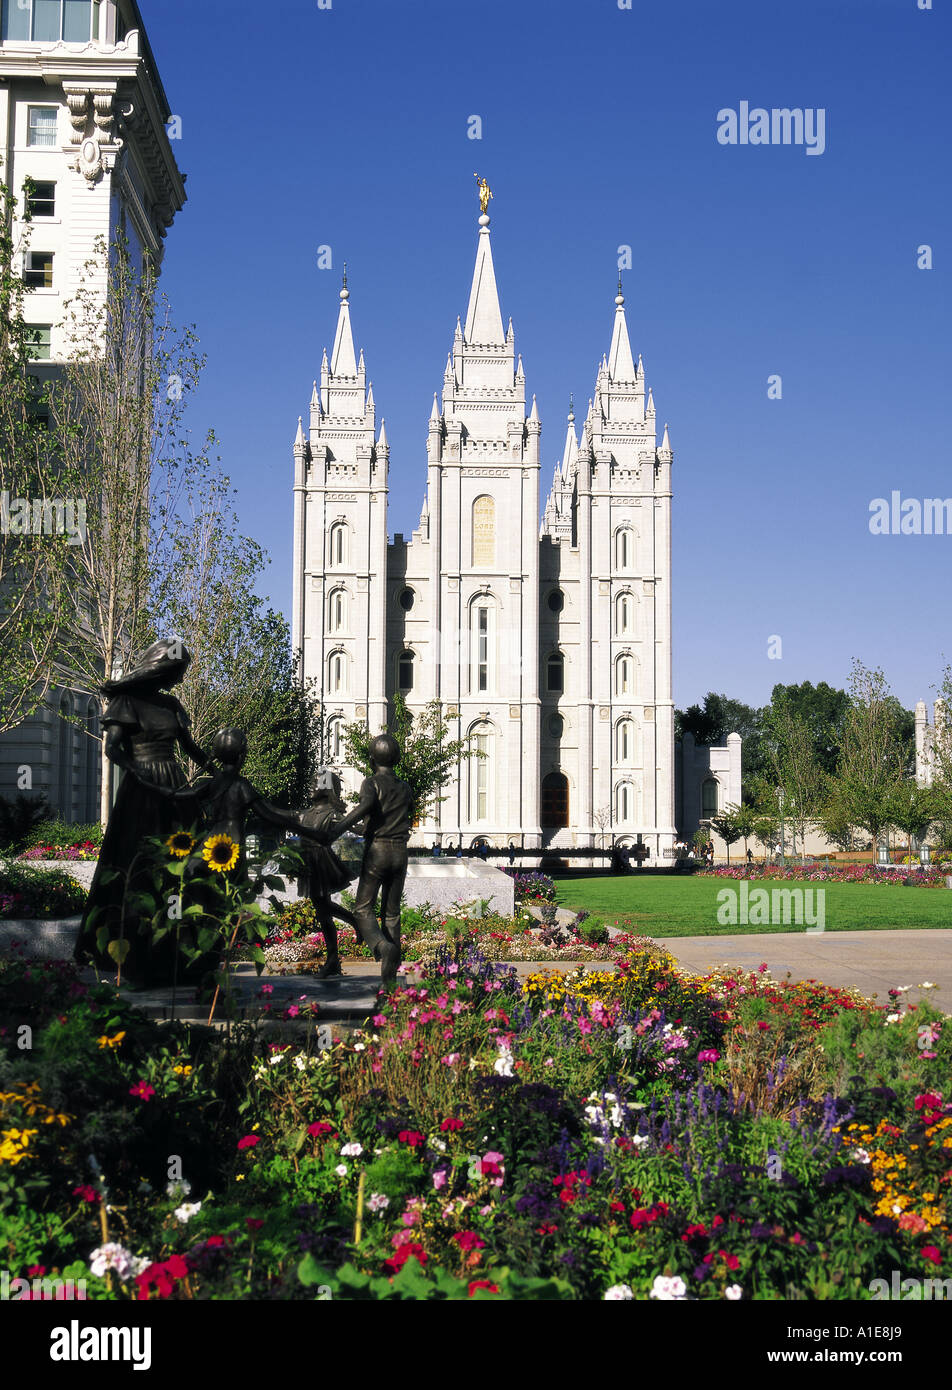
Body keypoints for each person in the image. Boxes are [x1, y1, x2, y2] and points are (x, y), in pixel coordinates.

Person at [74, 639, 213, 989]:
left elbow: (190, 748)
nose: (180, 680)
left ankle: (178, 956)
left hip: (174, 788)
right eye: (178, 672)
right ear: (162, 667)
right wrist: (140, 774)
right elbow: (114, 750)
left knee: (179, 871)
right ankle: (135, 960)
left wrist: (221, 770)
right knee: (138, 870)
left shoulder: (172, 704)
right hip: (142, 791)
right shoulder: (126, 701)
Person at [329, 734, 413, 989]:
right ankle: (390, 983)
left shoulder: (371, 783)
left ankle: (382, 946)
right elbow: (382, 821)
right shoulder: (405, 787)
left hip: (378, 852)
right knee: (392, 913)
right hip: (400, 852)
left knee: (362, 909)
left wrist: (338, 828)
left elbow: (366, 807)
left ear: (371, 759)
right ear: (397, 758)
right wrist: (357, 828)